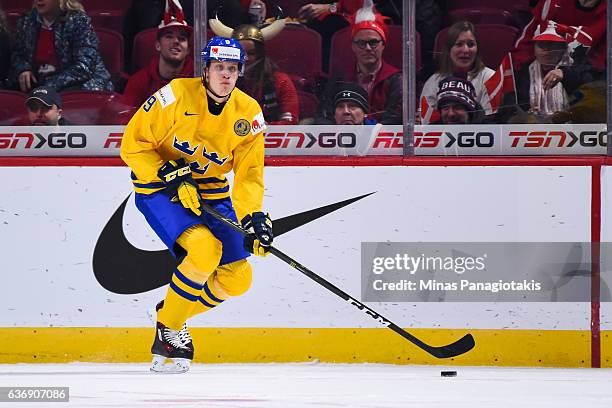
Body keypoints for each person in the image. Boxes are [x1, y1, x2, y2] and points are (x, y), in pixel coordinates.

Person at [120, 36, 272, 373]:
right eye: (219, 67)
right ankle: (169, 334)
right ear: (206, 70)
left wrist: (254, 219)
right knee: (204, 251)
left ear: (240, 72)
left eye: (232, 69)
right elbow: (132, 144)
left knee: (238, 279)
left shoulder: (249, 112)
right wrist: (166, 172)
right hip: (159, 188)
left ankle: (171, 313)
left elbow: (249, 175)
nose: (225, 75)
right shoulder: (175, 95)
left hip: (211, 192)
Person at [317, 2, 402, 124]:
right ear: (353, 46)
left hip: (381, 139)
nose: (367, 48)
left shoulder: (397, 80)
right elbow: (323, 115)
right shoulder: (340, 79)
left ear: (383, 45)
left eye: (373, 42)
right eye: (361, 43)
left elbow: (394, 120)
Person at [209, 17, 298, 124]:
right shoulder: (218, 82)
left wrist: (261, 128)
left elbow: (290, 122)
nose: (245, 58)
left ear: (261, 54)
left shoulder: (280, 81)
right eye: (239, 52)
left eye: (251, 53)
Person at [10, 0, 112, 93]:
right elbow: (18, 53)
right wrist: (23, 69)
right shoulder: (26, 21)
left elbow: (83, 67)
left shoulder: (79, 21)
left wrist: (49, 86)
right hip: (40, 87)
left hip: (78, 85)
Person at [513, 22, 596, 118]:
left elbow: (589, 96)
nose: (547, 49)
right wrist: (527, 115)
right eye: (541, 44)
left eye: (553, 44)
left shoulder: (579, 68)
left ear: (564, 48)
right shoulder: (521, 73)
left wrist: (565, 74)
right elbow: (511, 110)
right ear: (534, 48)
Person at [419, 21, 495, 124]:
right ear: (449, 49)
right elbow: (427, 125)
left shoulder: (491, 78)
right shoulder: (433, 82)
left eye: (471, 44)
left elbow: (490, 123)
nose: (465, 50)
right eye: (459, 44)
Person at [123, 0, 194, 108]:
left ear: (188, 49)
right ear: (157, 45)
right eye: (169, 36)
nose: (176, 41)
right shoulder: (139, 81)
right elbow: (126, 118)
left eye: (182, 38)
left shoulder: (199, 79)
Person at [512, 0, 606, 74]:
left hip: (576, 76)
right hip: (534, 70)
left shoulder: (606, 14)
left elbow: (600, 60)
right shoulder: (552, 2)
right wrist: (523, 66)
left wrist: (567, 73)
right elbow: (527, 36)